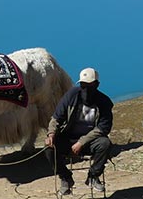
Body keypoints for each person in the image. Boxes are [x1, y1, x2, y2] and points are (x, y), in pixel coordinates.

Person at [45, 67, 115, 195]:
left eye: (89, 85)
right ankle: (65, 177)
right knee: (49, 149)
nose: (85, 89)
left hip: (90, 142)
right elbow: (56, 117)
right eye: (83, 85)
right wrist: (51, 134)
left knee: (105, 144)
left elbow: (102, 129)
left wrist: (81, 142)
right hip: (68, 138)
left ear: (96, 85)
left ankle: (93, 176)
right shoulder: (71, 95)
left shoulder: (104, 102)